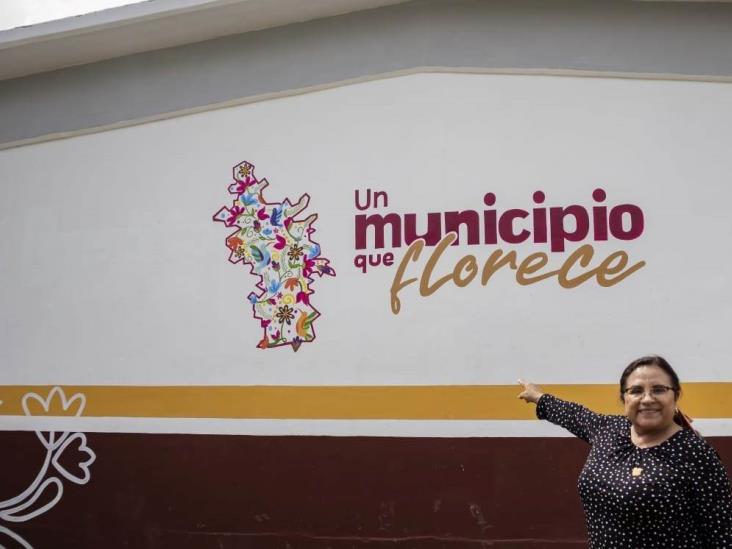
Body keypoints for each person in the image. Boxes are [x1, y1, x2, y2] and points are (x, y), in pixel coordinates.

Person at [518, 355, 732, 548]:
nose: (647, 399)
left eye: (658, 389)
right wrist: (539, 397)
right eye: (636, 391)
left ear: (675, 396)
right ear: (624, 399)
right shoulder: (609, 429)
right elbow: (576, 415)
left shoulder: (695, 453)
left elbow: (722, 533)